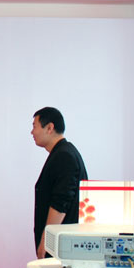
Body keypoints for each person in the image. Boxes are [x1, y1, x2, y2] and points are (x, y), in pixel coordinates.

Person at [31, 106, 88, 259]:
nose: (32, 132)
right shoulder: (62, 152)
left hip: (61, 244)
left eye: (35, 126)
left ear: (50, 127)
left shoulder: (64, 156)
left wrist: (47, 240)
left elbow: (60, 203)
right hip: (60, 241)